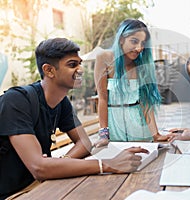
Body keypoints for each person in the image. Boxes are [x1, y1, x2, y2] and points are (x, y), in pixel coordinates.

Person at [0, 38, 149, 200]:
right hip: (13, 193)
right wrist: (107, 164)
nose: (81, 69)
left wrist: (59, 164)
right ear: (49, 70)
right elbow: (39, 167)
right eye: (72, 65)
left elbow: (84, 143)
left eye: (80, 63)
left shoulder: (61, 102)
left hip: (38, 186)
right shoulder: (16, 101)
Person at [93, 18, 167, 145]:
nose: (139, 48)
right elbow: (103, 98)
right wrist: (103, 135)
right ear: (121, 39)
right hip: (115, 130)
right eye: (134, 41)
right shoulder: (104, 58)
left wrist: (155, 135)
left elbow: (146, 103)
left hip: (140, 131)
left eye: (143, 43)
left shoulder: (142, 65)